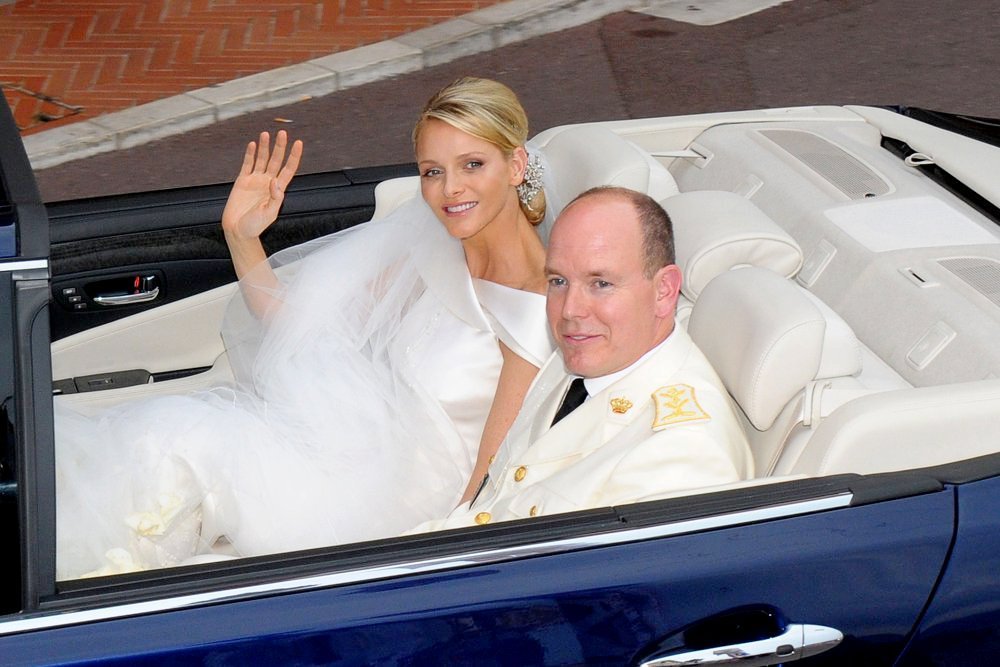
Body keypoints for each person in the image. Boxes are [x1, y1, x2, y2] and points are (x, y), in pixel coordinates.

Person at [54, 77, 555, 578]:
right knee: (165, 437)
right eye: (432, 171)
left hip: (388, 505)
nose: (450, 189)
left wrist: (420, 562)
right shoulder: (436, 250)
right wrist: (242, 238)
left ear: (515, 165)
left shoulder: (534, 306)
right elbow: (301, 327)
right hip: (348, 449)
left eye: (473, 164)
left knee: (185, 454)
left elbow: (488, 479)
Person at [416, 186, 753, 531]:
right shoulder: (596, 356)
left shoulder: (681, 454)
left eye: (601, 283)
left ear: (664, 291)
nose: (570, 310)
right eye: (558, 280)